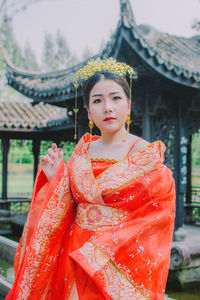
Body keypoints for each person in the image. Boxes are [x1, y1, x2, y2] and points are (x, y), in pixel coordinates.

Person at [6, 57, 175, 300]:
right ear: (88, 111)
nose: (108, 107)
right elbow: (66, 205)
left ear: (129, 105)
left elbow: (157, 215)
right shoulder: (82, 153)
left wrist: (97, 252)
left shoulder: (145, 155)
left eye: (116, 98)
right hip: (73, 252)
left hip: (116, 258)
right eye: (98, 100)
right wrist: (56, 179)